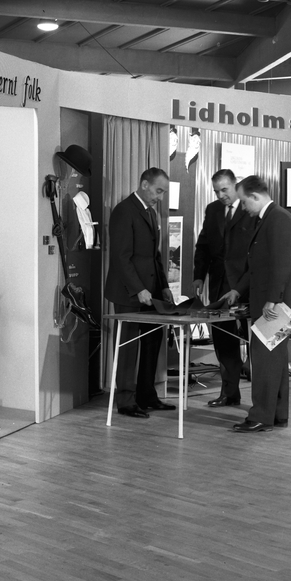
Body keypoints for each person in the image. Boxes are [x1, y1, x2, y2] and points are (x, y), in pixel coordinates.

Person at [223, 175, 291, 434]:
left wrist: (273, 298)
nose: (243, 207)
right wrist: (238, 289)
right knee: (275, 362)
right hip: (278, 301)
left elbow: (282, 263)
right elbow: (258, 265)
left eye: (244, 202)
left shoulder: (278, 218)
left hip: (278, 304)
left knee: (264, 361)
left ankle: (260, 416)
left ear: (255, 196)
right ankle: (277, 414)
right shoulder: (270, 218)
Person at [105, 167, 174, 418]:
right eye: (158, 191)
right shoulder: (124, 211)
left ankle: (147, 395)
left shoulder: (151, 213)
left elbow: (155, 256)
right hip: (129, 293)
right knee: (128, 346)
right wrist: (138, 289)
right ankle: (125, 401)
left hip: (151, 293)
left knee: (152, 342)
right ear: (144, 184)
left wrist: (163, 286)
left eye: (163, 192)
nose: (160, 197)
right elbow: (121, 258)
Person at [192, 169, 256, 409]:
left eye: (224, 190)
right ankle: (229, 393)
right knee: (223, 340)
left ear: (235, 185)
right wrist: (198, 276)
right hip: (219, 285)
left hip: (247, 285)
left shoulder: (251, 209)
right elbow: (203, 246)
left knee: (256, 341)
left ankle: (261, 400)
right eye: (216, 191)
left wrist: (242, 286)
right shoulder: (213, 210)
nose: (220, 195)